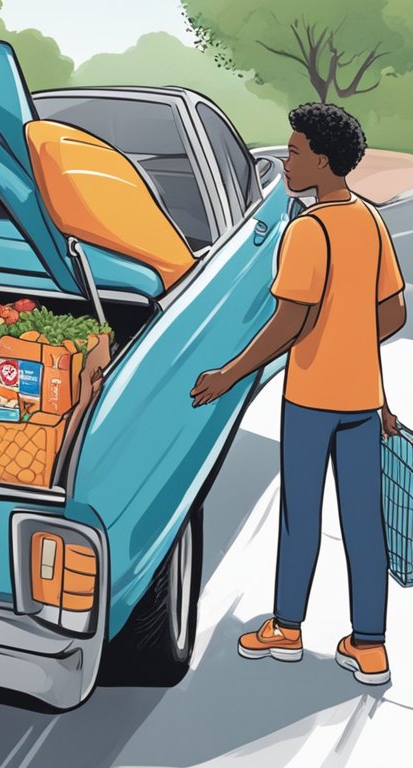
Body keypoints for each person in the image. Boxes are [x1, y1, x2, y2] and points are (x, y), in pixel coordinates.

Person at [190, 103, 406, 685]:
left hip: (312, 400)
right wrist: (355, 350)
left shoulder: (307, 231)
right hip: (362, 401)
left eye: (293, 152)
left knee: (300, 518)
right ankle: (369, 645)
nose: (284, 161)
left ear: (322, 159)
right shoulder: (368, 220)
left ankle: (286, 629)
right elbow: (393, 312)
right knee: (364, 523)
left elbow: (288, 324)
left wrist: (228, 374)